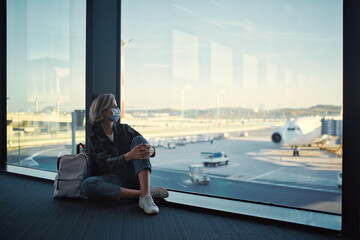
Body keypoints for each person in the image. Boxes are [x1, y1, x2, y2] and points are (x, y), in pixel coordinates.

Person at [81, 93, 168, 214]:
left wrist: (151, 150)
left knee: (139, 141)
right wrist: (128, 156)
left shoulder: (125, 129)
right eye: (113, 107)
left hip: (134, 174)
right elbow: (105, 165)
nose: (117, 110)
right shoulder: (94, 139)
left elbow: (145, 145)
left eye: (117, 107)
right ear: (103, 111)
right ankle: (145, 194)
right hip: (114, 179)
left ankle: (145, 194)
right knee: (87, 185)